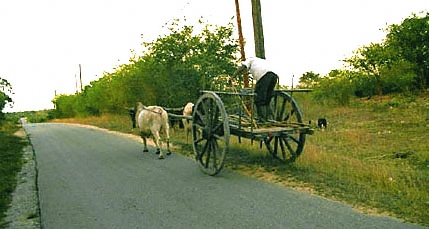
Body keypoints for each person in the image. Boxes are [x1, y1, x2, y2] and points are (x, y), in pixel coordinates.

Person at [233, 57, 279, 123]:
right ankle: (266, 118)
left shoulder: (250, 60)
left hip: (264, 75)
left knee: (258, 97)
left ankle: (262, 120)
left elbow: (242, 67)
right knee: (267, 98)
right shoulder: (260, 61)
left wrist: (233, 77)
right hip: (274, 76)